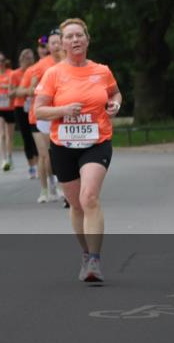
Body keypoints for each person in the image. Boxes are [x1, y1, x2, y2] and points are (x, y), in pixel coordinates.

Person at [34, 18, 121, 283]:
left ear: (87, 39)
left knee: (89, 197)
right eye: (69, 37)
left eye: (79, 35)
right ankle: (85, 253)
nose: (75, 40)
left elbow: (115, 94)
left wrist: (115, 104)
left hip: (97, 141)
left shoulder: (102, 71)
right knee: (76, 204)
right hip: (63, 146)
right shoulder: (54, 74)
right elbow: (38, 110)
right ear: (62, 43)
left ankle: (94, 260)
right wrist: (62, 110)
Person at [19, 29, 64, 203]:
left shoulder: (71, 63)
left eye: (58, 42)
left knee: (59, 153)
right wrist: (33, 89)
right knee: (44, 154)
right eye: (52, 43)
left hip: (61, 114)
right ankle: (45, 190)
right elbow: (23, 90)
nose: (56, 46)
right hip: (40, 115)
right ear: (47, 46)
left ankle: (60, 185)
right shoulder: (39, 67)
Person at [11, 48, 38, 179]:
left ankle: (39, 165)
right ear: (21, 59)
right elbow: (12, 92)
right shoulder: (15, 74)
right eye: (26, 58)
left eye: (31, 57)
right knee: (26, 137)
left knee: (36, 136)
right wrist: (28, 90)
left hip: (34, 106)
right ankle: (31, 166)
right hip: (20, 107)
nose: (29, 60)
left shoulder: (36, 71)